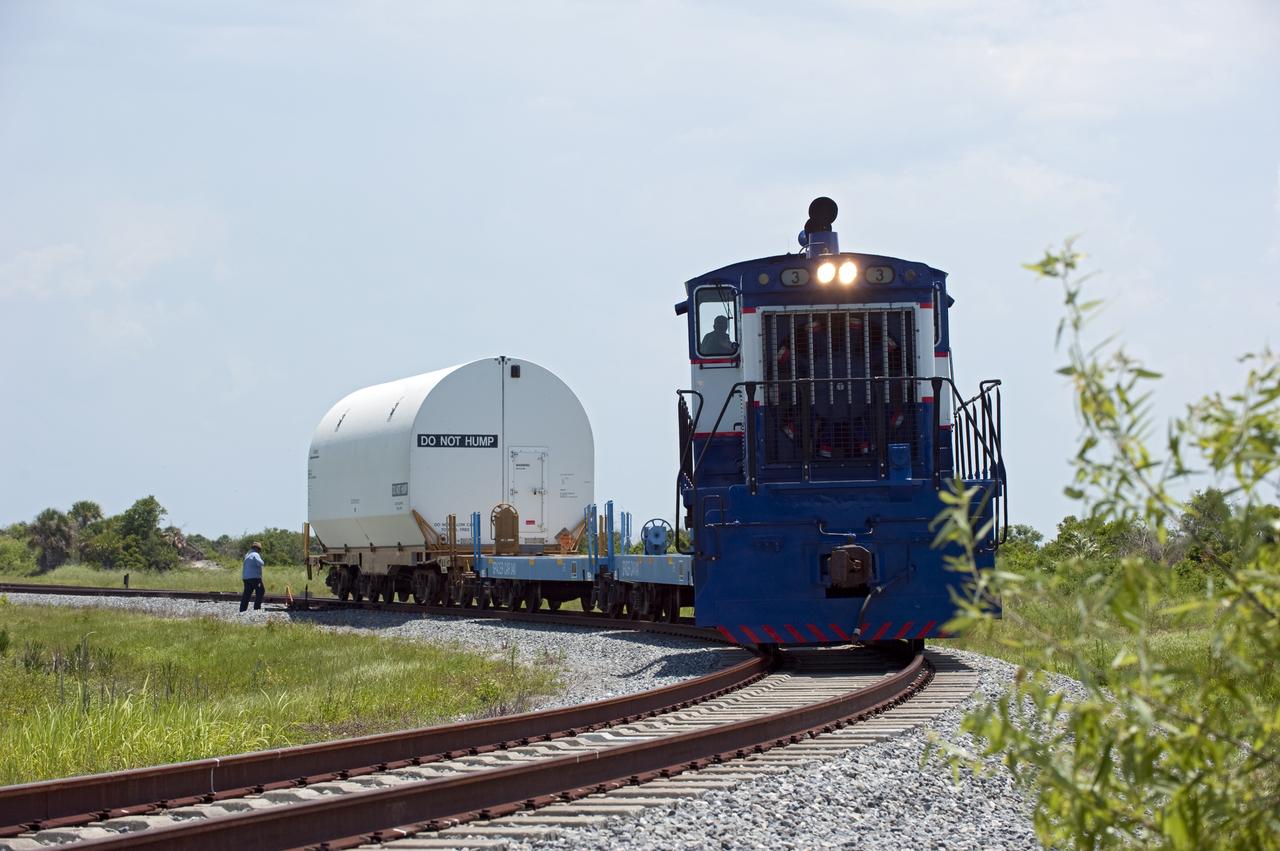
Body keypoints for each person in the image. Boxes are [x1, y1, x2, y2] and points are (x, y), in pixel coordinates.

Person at [240, 541, 265, 612]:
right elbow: (261, 563)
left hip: (246, 578)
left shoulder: (247, 554)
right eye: (260, 549)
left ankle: (242, 610)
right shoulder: (255, 554)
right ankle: (257, 608)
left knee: (246, 594)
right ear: (257, 548)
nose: (260, 551)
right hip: (255, 578)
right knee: (261, 591)